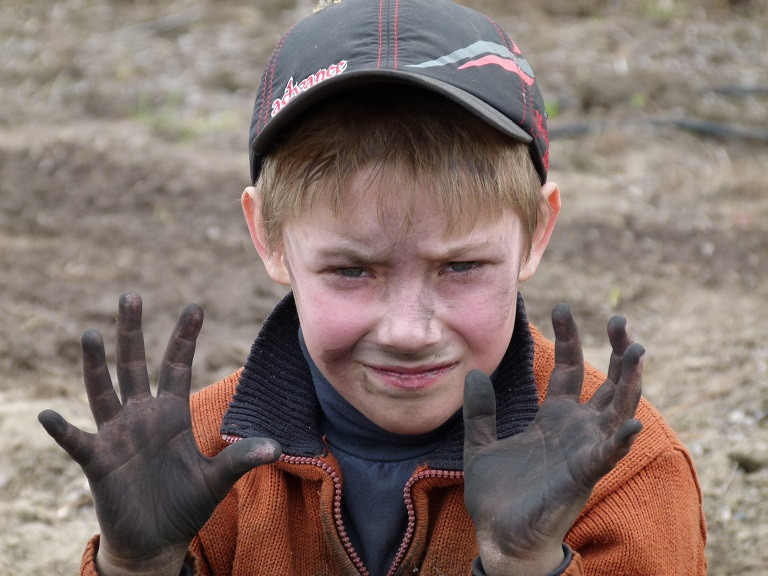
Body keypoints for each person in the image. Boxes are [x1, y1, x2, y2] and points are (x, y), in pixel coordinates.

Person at [38, 0, 707, 575]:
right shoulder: (202, 459)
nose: (409, 331)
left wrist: (527, 563)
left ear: (537, 231)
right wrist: (138, 564)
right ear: (267, 237)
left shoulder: (625, 469)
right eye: (352, 271)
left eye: (461, 267)